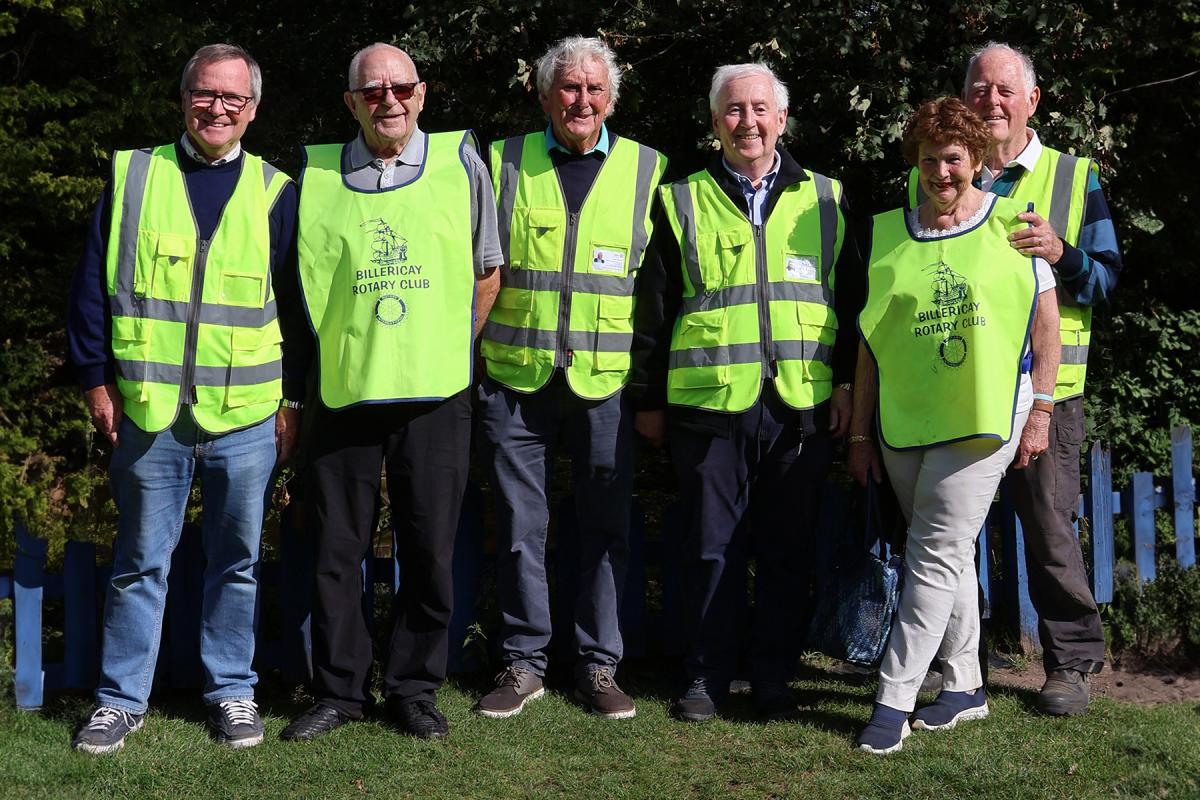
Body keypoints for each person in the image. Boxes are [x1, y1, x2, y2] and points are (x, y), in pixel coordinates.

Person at [66, 43, 299, 753]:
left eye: (233, 98)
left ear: (253, 110)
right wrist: (94, 379)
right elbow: (91, 290)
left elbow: (296, 307)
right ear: (183, 98)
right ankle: (119, 701)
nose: (218, 108)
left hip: (248, 417)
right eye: (206, 93)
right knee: (140, 562)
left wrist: (293, 405)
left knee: (237, 562)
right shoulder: (134, 175)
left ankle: (232, 692)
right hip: (147, 411)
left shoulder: (278, 190)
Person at [279, 43, 501, 742]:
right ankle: (339, 692)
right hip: (342, 389)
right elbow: (294, 294)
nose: (388, 100)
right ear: (350, 102)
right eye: (371, 91)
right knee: (334, 550)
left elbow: (488, 269)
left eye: (401, 87)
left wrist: (447, 346)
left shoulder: (462, 161)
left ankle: (413, 690)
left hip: (437, 391)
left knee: (430, 548)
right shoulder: (312, 174)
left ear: (423, 93)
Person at [635, 63, 863, 722]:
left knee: (788, 551)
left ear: (782, 119)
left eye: (760, 109)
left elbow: (854, 307)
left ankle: (772, 679)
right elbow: (650, 312)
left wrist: (846, 384)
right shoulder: (679, 201)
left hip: (802, 406)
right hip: (707, 409)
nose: (748, 122)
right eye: (733, 111)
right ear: (715, 123)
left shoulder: (828, 199)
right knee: (709, 548)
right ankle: (704, 676)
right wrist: (649, 400)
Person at [908, 43, 1120, 714]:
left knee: (1050, 528)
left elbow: (1109, 280)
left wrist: (1063, 251)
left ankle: (1071, 665)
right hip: (956, 392)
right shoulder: (933, 175)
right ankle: (957, 665)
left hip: (1043, 395)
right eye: (979, 89)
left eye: (1005, 91)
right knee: (946, 531)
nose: (990, 101)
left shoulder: (1072, 176)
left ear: (1033, 101)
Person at [851, 97, 1060, 754]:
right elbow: (869, 343)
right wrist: (859, 433)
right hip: (905, 421)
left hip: (986, 418)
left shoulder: (1014, 228)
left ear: (975, 161)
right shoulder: (887, 234)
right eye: (929, 160)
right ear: (913, 163)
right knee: (943, 552)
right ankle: (966, 686)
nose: (941, 172)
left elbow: (1045, 323)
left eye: (953, 159)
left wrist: (1043, 410)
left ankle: (894, 697)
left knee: (933, 553)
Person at [475, 36, 666, 720]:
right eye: (568, 87)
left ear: (610, 98)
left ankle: (598, 666)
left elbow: (655, 298)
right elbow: (478, 271)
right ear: (545, 93)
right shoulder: (499, 161)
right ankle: (523, 663)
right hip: (513, 379)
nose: (581, 100)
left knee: (605, 528)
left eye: (593, 89)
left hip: (605, 383)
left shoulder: (648, 170)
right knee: (522, 527)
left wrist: (646, 388)